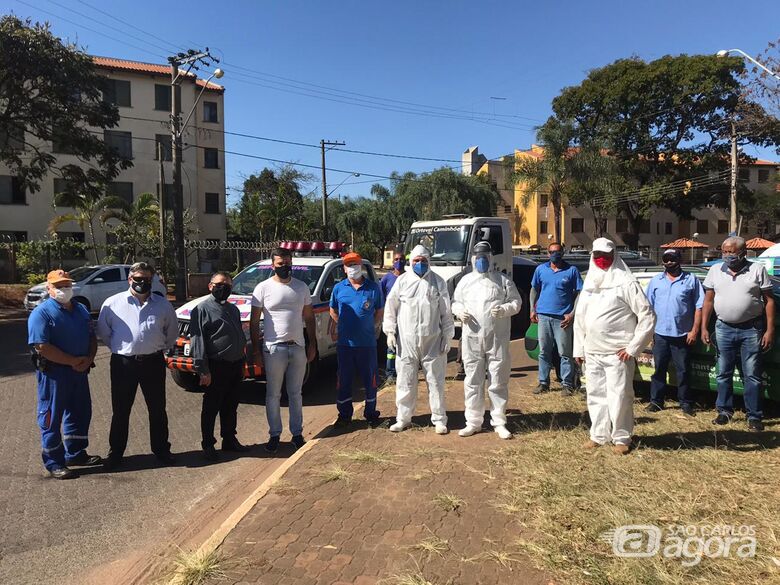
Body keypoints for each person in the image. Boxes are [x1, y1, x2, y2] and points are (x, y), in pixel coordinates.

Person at [573, 238, 655, 455]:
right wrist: (579, 349)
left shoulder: (626, 283)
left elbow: (647, 315)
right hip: (593, 352)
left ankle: (621, 437)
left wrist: (632, 348)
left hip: (617, 354)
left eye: (606, 257)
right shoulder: (589, 284)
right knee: (595, 394)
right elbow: (580, 319)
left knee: (619, 396)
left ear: (614, 257)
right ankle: (598, 435)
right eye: (597, 256)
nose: (602, 260)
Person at [97, 262, 178, 469]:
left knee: (158, 409)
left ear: (152, 280)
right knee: (121, 410)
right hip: (124, 364)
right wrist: (124, 348)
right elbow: (105, 333)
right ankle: (116, 453)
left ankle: (161, 450)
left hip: (153, 362)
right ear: (129, 280)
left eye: (147, 279)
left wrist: (155, 347)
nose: (142, 282)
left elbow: (171, 333)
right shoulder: (112, 304)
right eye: (138, 278)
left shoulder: (162, 305)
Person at [27, 270, 101, 479]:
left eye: (67, 285)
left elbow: (91, 337)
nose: (64, 290)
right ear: (49, 289)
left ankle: (75, 453)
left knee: (80, 412)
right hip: (54, 375)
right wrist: (71, 361)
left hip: (80, 371)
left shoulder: (81, 310)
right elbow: (41, 345)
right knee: (51, 416)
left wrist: (88, 359)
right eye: (58, 286)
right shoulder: (41, 313)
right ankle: (54, 461)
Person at [701, 236, 775, 432]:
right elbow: (708, 301)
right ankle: (724, 412)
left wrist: (769, 329)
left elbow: (769, 301)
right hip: (723, 328)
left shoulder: (757, 269)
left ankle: (754, 417)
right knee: (723, 373)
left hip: (751, 329)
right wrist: (703, 327)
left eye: (731, 252)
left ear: (743, 252)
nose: (727, 255)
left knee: (752, 375)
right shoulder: (715, 270)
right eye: (724, 251)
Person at [250, 247, 317, 453]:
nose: (284, 266)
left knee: (296, 393)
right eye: (280, 263)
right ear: (273, 265)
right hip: (273, 349)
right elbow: (254, 322)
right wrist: (256, 351)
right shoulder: (262, 288)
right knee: (273, 395)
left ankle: (297, 434)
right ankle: (274, 435)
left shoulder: (302, 287)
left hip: (297, 347)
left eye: (287, 262)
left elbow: (309, 318)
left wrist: (312, 344)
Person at [452, 242, 522, 439]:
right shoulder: (465, 281)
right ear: (473, 259)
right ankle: (473, 421)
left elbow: (517, 302)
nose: (481, 261)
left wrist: (504, 310)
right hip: (472, 338)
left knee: (498, 380)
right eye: (478, 257)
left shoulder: (502, 281)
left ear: (491, 258)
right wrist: (459, 312)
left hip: (497, 339)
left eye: (485, 257)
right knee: (473, 380)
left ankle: (499, 421)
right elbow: (456, 301)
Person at [382, 244, 454, 434]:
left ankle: (439, 419)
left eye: (423, 261)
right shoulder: (402, 282)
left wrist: (447, 335)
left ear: (429, 261)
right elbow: (391, 308)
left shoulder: (438, 282)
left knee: (436, 381)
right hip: (406, 341)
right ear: (410, 261)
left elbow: (446, 312)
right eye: (416, 261)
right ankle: (403, 418)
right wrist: (390, 332)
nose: (420, 264)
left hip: (433, 341)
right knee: (405, 381)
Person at [189, 271, 249, 461]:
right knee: (211, 407)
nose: (223, 288)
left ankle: (229, 439)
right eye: (219, 284)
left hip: (235, 364)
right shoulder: (201, 309)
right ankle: (208, 444)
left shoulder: (233, 309)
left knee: (231, 405)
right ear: (210, 286)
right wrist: (203, 370)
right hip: (216, 366)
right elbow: (197, 341)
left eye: (228, 285)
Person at [645, 249, 704, 416]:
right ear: (663, 261)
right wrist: (649, 332)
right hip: (660, 334)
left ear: (679, 260)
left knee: (683, 370)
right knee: (659, 370)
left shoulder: (691, 280)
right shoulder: (656, 281)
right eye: (666, 259)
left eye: (673, 259)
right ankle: (656, 401)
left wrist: (694, 331)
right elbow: (647, 308)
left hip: (682, 335)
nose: (669, 262)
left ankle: (685, 403)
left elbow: (699, 307)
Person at [329, 252, 384, 426]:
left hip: (367, 344)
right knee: (344, 380)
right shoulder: (339, 288)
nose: (353, 268)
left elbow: (379, 312)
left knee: (371, 380)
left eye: (356, 264)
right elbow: (333, 311)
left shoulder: (373, 288)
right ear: (344, 269)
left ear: (361, 266)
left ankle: (371, 413)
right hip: (346, 345)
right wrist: (343, 325)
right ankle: (344, 415)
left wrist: (367, 326)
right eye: (349, 265)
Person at [530, 242, 583, 395]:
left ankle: (567, 384)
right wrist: (532, 309)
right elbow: (534, 289)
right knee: (544, 351)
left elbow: (580, 293)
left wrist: (572, 313)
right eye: (552, 251)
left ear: (563, 253)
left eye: (558, 252)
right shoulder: (540, 269)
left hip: (562, 318)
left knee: (564, 353)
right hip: (543, 316)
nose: (555, 254)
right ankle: (543, 382)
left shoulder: (572, 271)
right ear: (547, 253)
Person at [380, 251, 405, 380]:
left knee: (406, 346)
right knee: (391, 348)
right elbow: (381, 297)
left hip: (407, 319)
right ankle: (390, 373)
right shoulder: (386, 279)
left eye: (401, 259)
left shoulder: (408, 277)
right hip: (392, 318)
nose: (398, 262)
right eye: (396, 259)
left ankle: (404, 373)